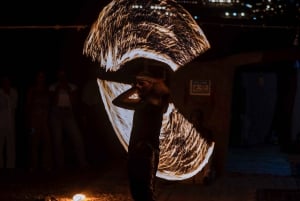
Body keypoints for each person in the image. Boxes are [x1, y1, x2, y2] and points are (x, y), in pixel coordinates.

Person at [112, 70, 170, 201]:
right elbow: (117, 101)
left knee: (146, 192)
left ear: (153, 87)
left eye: (143, 84)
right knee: (136, 190)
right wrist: (135, 87)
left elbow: (164, 92)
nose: (139, 86)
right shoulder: (141, 104)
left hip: (147, 153)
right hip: (135, 152)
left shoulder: (157, 102)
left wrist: (154, 82)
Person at [49, 69, 87, 169]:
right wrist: (58, 89)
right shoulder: (53, 87)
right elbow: (53, 102)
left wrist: (68, 89)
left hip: (68, 113)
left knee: (77, 138)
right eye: (60, 75)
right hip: (56, 113)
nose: (62, 77)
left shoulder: (72, 87)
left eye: (64, 75)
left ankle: (82, 163)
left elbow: (74, 102)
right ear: (58, 76)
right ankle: (59, 165)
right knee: (57, 140)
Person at [25, 71, 52, 171]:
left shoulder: (46, 91)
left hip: (44, 121)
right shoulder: (32, 91)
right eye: (39, 76)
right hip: (34, 121)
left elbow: (49, 105)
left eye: (42, 76)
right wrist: (29, 122)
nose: (41, 78)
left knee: (47, 142)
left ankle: (46, 165)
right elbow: (28, 106)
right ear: (36, 78)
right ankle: (33, 166)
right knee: (33, 142)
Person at [0, 75, 18, 169]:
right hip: (1, 124)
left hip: (11, 124)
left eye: (8, 81)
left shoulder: (14, 92)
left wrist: (8, 95)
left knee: (11, 147)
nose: (6, 83)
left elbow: (14, 105)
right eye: (4, 81)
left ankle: (10, 167)